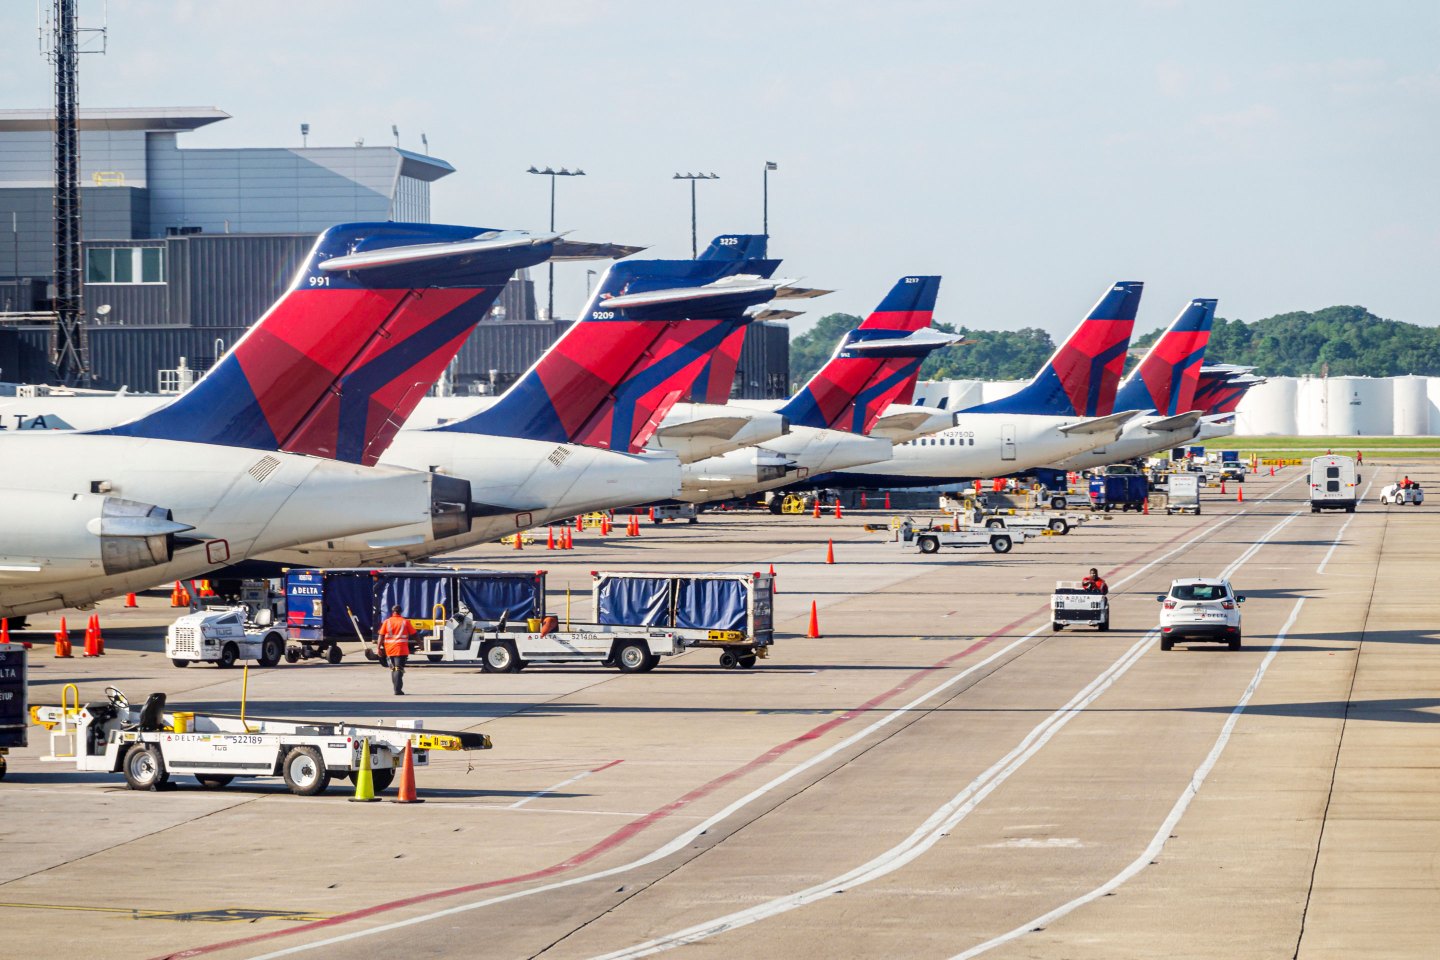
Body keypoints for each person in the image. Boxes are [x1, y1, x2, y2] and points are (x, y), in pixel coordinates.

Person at [376, 606, 416, 696]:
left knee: (393, 669)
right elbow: (414, 634)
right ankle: (397, 690)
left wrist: (378, 648)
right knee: (398, 668)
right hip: (401, 649)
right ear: (401, 612)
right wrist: (420, 644)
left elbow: (381, 636)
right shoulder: (405, 622)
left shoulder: (387, 622)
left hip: (389, 649)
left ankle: (396, 688)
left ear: (392, 611)